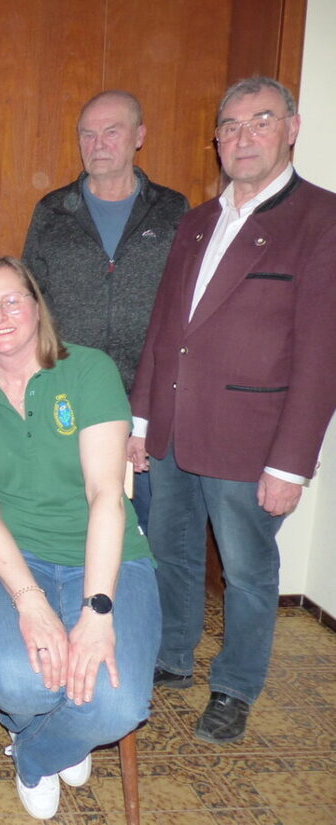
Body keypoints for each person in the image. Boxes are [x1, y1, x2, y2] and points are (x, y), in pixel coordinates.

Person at [128, 76, 336, 744]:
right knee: (172, 552)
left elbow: (322, 357)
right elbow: (166, 327)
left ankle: (236, 686)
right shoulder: (197, 221)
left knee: (247, 572)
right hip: (174, 431)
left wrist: (291, 464)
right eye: (231, 126)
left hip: (252, 442)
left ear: (292, 129)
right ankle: (172, 654)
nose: (243, 138)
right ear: (216, 139)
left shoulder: (322, 220)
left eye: (261, 122)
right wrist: (141, 421)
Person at [0, 257, 159, 821]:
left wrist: (97, 610)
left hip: (106, 555)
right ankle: (59, 730)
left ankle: (37, 751)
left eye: (12, 300)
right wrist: (30, 602)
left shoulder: (89, 370)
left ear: (37, 306)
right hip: (7, 557)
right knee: (20, 683)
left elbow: (106, 495)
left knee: (118, 707)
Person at [22, 90, 188, 532]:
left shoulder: (172, 210)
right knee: (73, 521)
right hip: (68, 397)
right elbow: (30, 300)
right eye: (87, 134)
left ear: (139, 136)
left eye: (111, 132)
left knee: (151, 528)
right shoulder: (52, 211)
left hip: (149, 400)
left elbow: (188, 305)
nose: (97, 144)